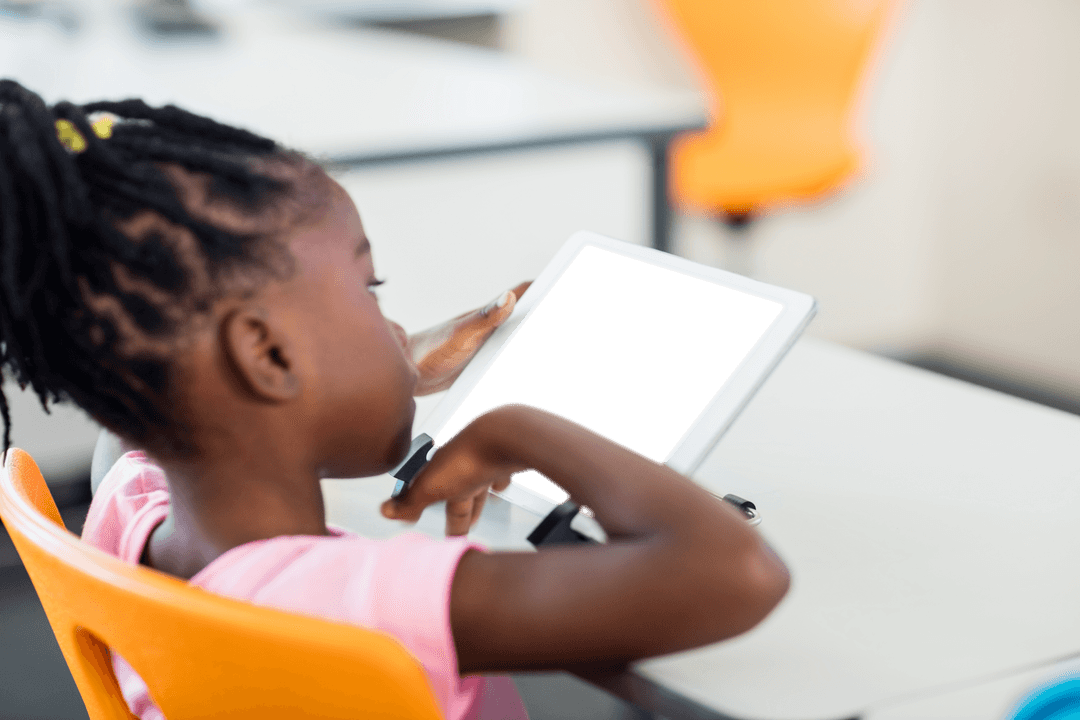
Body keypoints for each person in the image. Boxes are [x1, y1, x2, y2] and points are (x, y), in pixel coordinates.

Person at [0, 78, 791, 720]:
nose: (395, 322)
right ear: (267, 355)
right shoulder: (345, 611)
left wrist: (396, 367)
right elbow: (736, 573)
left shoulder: (127, 507)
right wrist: (520, 424)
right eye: (372, 291)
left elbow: (144, 430)